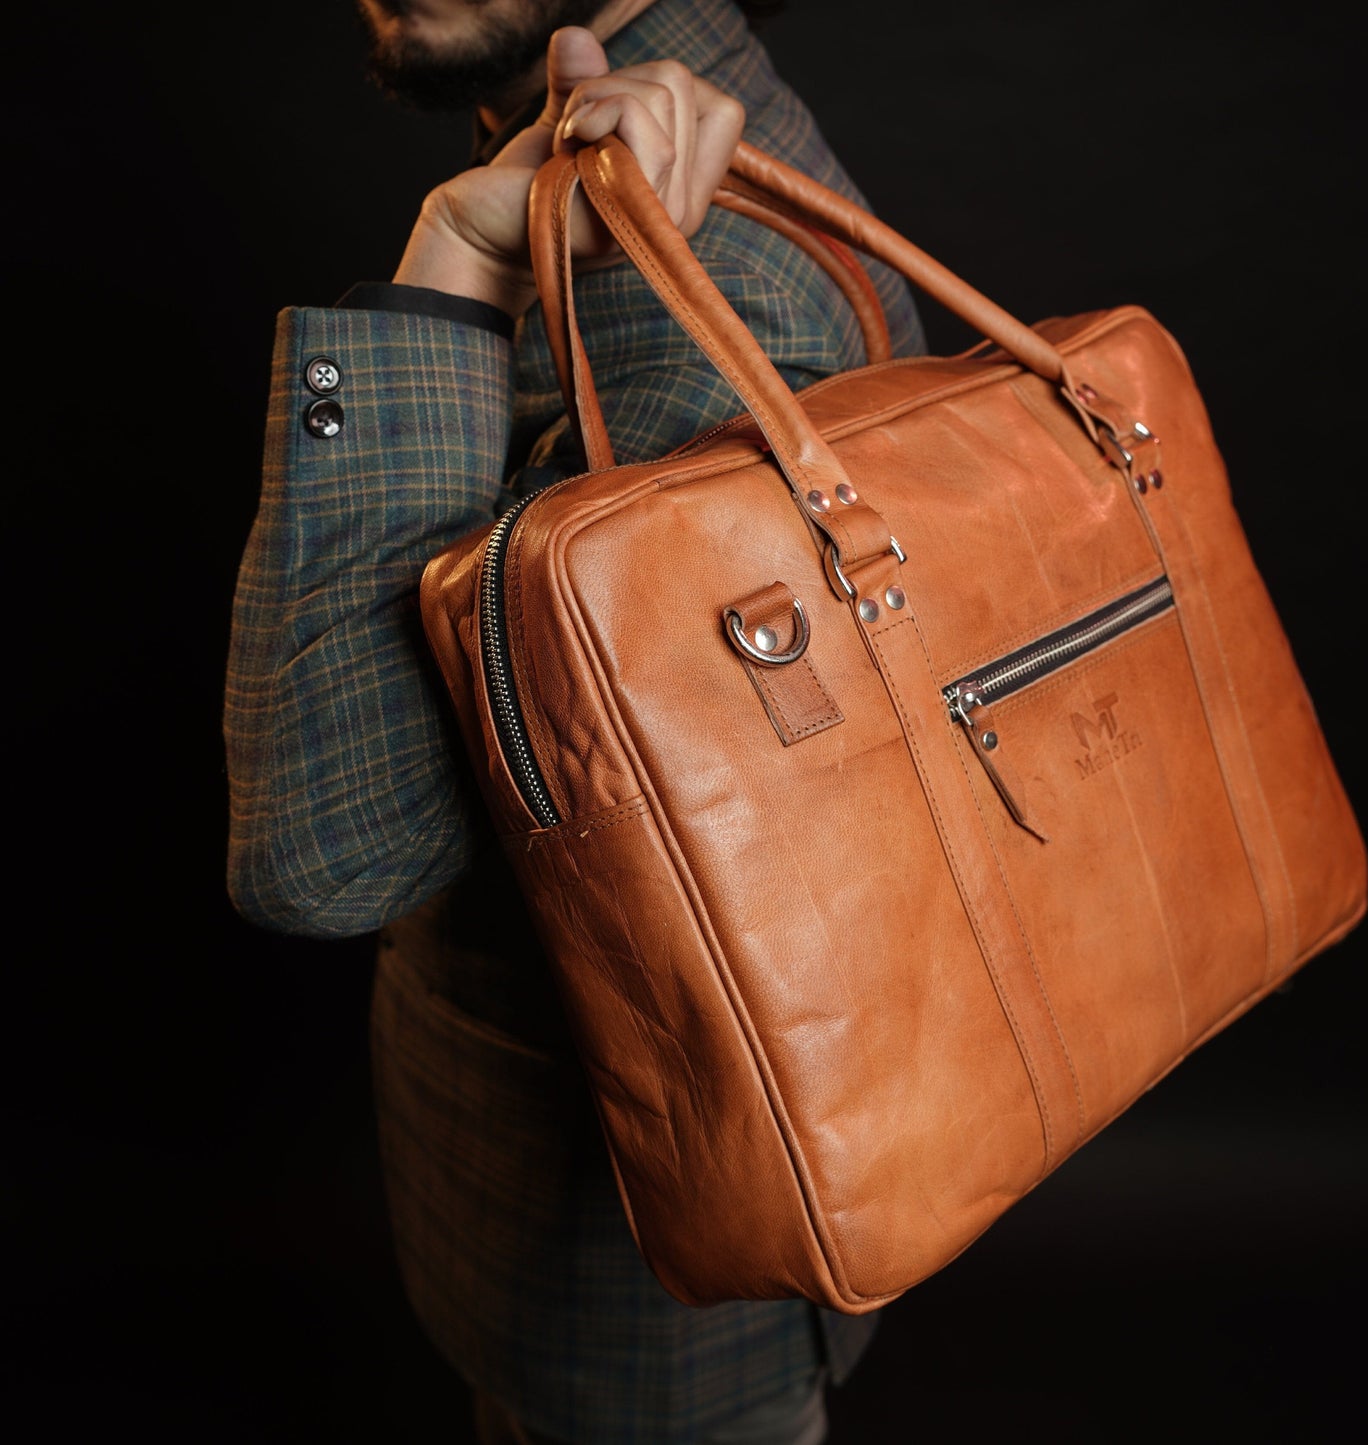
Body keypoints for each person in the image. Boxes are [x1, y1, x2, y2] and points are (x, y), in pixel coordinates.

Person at [224, 1, 925, 1441]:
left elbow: (333, 850)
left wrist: (448, 273)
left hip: (639, 1283)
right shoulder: (620, 164)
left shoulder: (690, 276)